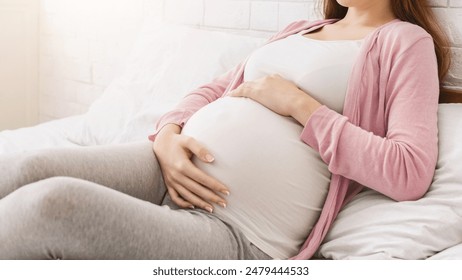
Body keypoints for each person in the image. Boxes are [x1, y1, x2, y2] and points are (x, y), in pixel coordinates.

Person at [0, 0, 450, 260]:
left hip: (236, 230)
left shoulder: (405, 42)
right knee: (28, 167)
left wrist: (300, 105)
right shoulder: (301, 29)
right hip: (167, 168)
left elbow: (408, 171)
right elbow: (212, 89)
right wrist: (169, 135)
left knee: (52, 204)